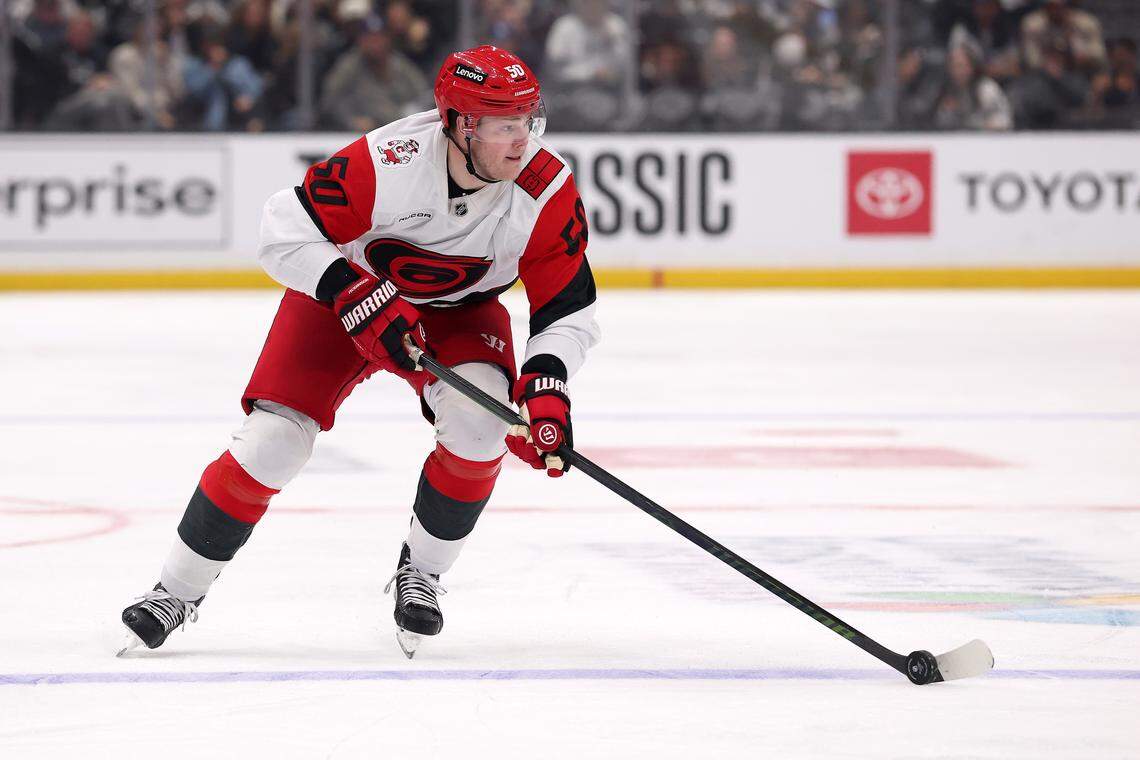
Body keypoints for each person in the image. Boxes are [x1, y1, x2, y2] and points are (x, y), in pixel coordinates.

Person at [119, 45, 600, 659]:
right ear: (457, 123)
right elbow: (281, 228)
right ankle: (177, 589)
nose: (521, 142)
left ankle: (421, 572)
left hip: (461, 313)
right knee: (274, 442)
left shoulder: (546, 187)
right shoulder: (389, 161)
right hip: (342, 302)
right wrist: (352, 292)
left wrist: (548, 386)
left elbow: (567, 310)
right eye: (504, 125)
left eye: (528, 121)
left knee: (482, 426)